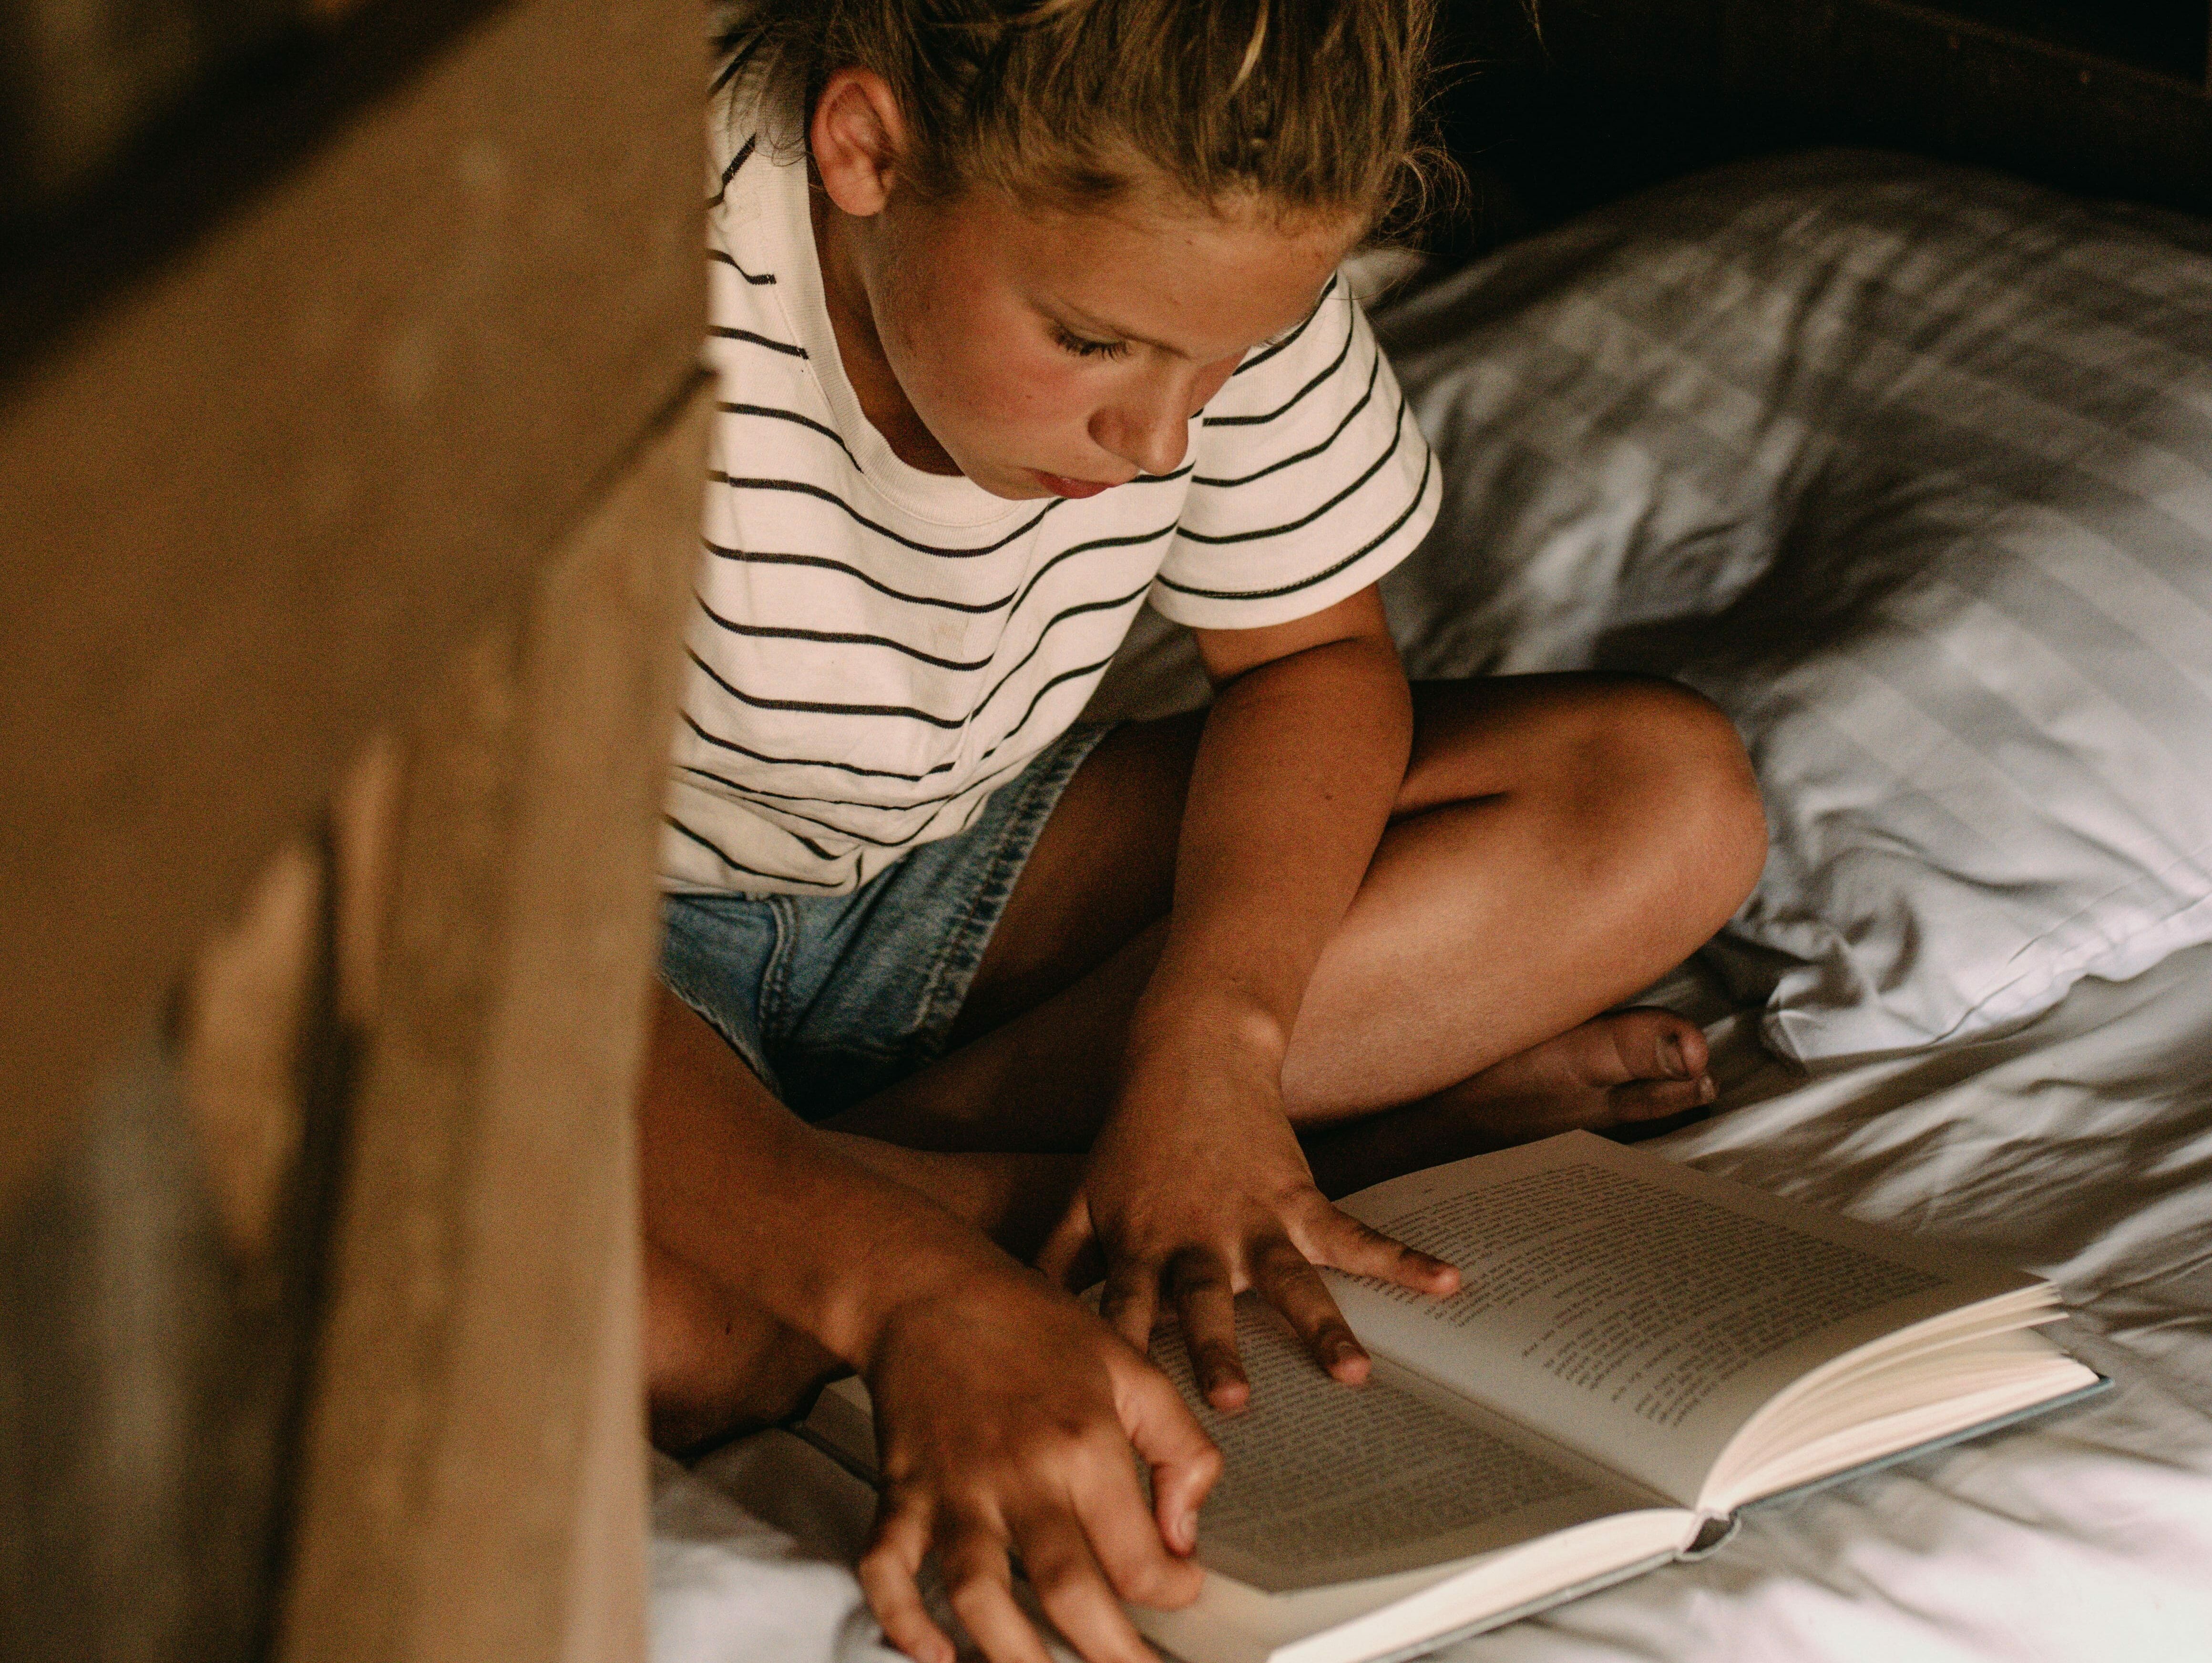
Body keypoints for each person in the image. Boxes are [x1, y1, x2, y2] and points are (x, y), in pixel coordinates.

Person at [642, 3, 1769, 1660]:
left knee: (1656, 803)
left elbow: (1311, 663)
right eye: (1093, 344)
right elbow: (452, 958)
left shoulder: (1215, 255)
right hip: (583, 943)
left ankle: (931, 1173)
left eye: (1227, 362)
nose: (1161, 442)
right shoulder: (609, 268)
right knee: (529, 1318)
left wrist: (1215, 1043)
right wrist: (916, 1302)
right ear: (866, 149)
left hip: (932, 870)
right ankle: (1261, 1168)